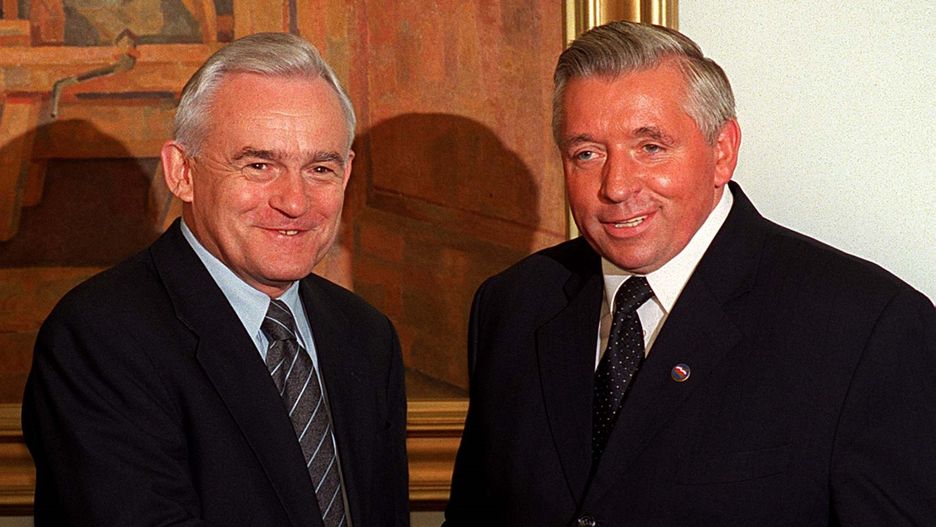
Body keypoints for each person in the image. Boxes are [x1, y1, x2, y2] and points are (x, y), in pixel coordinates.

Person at [444, 21, 936, 527]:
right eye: (587, 154)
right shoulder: (515, 304)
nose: (616, 186)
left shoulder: (867, 328)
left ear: (722, 152)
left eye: (650, 147)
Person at [22, 33, 409, 526]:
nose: (295, 201)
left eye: (320, 168)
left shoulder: (365, 335)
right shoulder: (101, 337)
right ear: (182, 172)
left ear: (347, 174)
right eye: (259, 165)